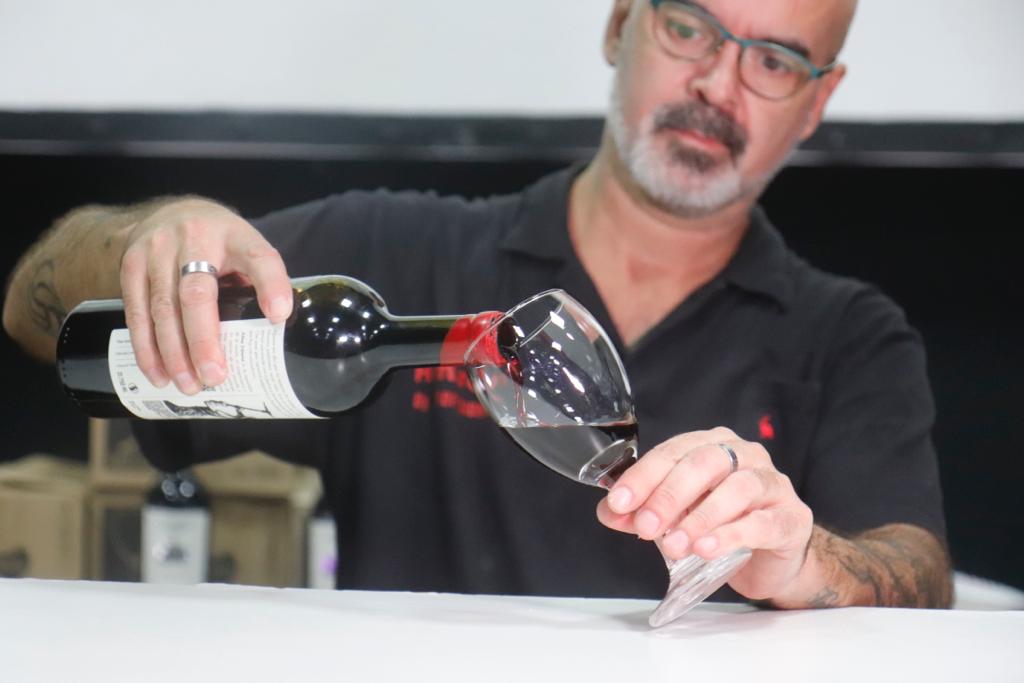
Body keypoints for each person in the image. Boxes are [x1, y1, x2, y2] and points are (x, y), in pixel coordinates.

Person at [2, 0, 951, 608]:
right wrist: (145, 239)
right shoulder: (391, 251)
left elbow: (918, 572)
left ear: (817, 102)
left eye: (775, 60)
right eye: (689, 28)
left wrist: (808, 560)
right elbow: (32, 312)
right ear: (621, 23)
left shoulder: (852, 337)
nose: (717, 84)